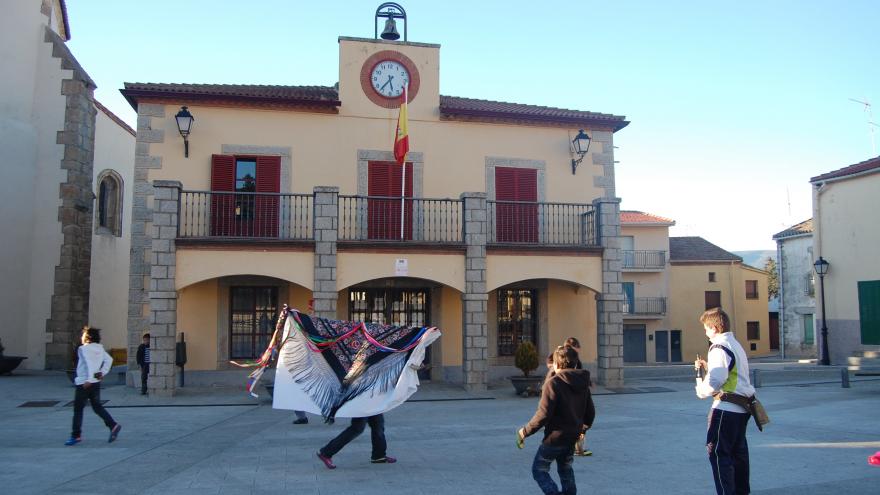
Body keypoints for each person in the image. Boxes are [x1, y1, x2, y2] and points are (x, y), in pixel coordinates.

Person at [517, 345, 595, 495]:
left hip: (555, 438)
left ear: (557, 364)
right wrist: (582, 430)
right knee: (566, 470)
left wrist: (524, 432)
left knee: (539, 470)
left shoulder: (553, 383)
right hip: (571, 437)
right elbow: (590, 413)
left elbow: (543, 415)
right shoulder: (583, 383)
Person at [694, 307, 756, 495]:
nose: (705, 332)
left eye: (706, 327)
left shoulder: (718, 347)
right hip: (742, 408)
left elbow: (716, 380)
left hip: (725, 410)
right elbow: (731, 372)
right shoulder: (734, 344)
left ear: (714, 327)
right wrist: (708, 366)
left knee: (719, 455)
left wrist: (701, 390)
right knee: (738, 455)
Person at [65, 327, 121, 445]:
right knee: (97, 407)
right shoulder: (99, 349)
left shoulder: (83, 348)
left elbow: (89, 364)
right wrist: (102, 373)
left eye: (83, 335)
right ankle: (113, 425)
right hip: (95, 382)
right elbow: (109, 360)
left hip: (84, 383)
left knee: (78, 410)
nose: (81, 337)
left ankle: (76, 435)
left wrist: (89, 379)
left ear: (87, 337)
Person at [316, 414, 396, 469]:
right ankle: (326, 453)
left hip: (373, 398)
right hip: (363, 398)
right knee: (357, 428)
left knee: (378, 424)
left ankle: (379, 455)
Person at [563, 337, 591, 457]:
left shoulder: (577, 360)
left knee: (580, 421)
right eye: (576, 350)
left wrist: (587, 382)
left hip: (576, 393)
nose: (577, 353)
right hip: (565, 394)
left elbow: (580, 373)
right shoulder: (560, 356)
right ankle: (568, 446)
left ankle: (578, 447)